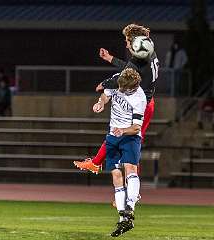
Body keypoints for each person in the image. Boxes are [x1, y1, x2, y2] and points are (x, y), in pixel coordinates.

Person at [74, 23, 159, 174]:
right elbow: (130, 67)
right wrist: (110, 58)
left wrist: (104, 83)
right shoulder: (147, 50)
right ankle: (97, 163)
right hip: (144, 102)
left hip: (140, 104)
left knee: (131, 142)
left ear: (135, 41)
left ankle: (131, 192)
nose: (126, 45)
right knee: (119, 136)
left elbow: (123, 77)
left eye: (127, 41)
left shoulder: (139, 58)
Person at [91, 68, 146, 237]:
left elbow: (136, 127)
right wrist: (101, 102)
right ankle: (124, 219)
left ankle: (131, 205)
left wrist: (122, 131)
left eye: (124, 89)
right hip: (113, 136)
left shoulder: (139, 98)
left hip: (130, 137)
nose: (120, 90)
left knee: (130, 169)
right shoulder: (119, 80)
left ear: (134, 87)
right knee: (116, 175)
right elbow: (106, 94)